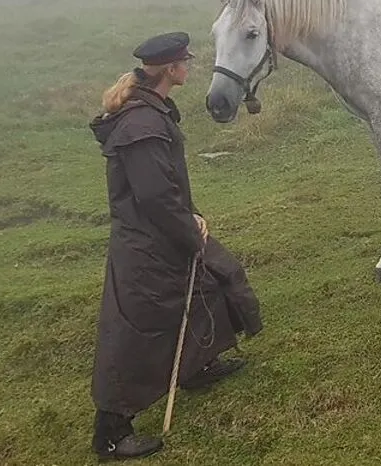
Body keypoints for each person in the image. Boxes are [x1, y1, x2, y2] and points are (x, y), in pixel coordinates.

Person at [87, 31, 263, 461]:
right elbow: (153, 197)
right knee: (136, 332)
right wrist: (188, 229)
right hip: (147, 246)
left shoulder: (151, 109)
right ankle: (111, 432)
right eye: (185, 60)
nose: (190, 65)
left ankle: (197, 365)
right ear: (170, 69)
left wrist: (191, 219)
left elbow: (165, 188)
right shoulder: (141, 125)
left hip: (164, 231)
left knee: (209, 281)